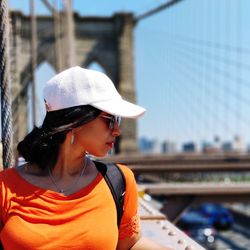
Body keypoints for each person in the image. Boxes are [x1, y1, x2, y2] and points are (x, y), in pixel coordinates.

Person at [0, 66, 170, 250]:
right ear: (76, 121)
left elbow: (130, 245)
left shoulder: (118, 181)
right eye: (110, 119)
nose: (117, 130)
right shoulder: (5, 187)